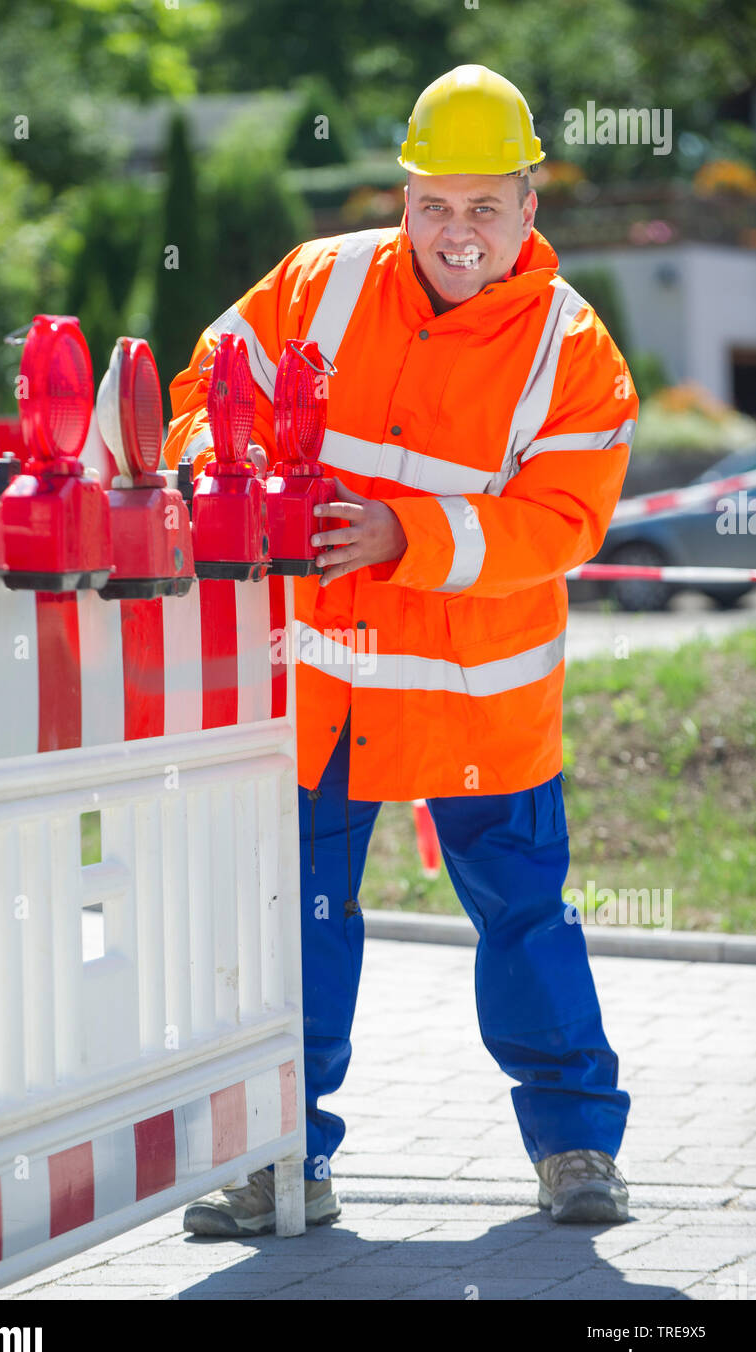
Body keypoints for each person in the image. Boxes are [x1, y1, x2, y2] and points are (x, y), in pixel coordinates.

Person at [164, 64, 637, 1235]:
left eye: (486, 207)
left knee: (526, 923)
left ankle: (577, 1145)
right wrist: (232, 479)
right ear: (404, 196)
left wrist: (404, 531)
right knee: (304, 924)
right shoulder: (317, 282)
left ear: (530, 205)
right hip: (326, 684)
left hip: (482, 702)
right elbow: (199, 389)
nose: (457, 233)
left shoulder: (574, 351)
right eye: (437, 205)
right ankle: (286, 1161)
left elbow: (563, 519)